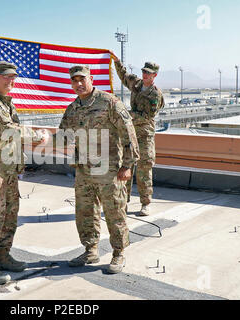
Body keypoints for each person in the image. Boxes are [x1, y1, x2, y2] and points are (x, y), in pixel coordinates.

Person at [0, 61, 49, 284]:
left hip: (7, 171)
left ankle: (2, 257)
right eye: (5, 76)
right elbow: (8, 130)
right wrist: (37, 135)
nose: (10, 81)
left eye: (13, 77)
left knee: (9, 218)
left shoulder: (6, 103)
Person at [58, 65, 139, 274]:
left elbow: (128, 134)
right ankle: (90, 249)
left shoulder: (109, 102)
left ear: (91, 78)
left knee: (114, 210)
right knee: (85, 211)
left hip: (109, 168)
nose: (78, 84)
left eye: (82, 79)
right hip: (83, 169)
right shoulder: (73, 108)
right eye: (74, 81)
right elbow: (63, 134)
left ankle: (118, 252)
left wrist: (128, 165)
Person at [110, 52, 165, 216]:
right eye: (144, 71)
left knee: (144, 169)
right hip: (130, 133)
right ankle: (123, 202)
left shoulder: (155, 94)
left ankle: (145, 203)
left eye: (148, 73)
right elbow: (124, 76)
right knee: (126, 167)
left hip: (144, 134)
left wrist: (127, 115)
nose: (145, 74)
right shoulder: (137, 84)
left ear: (155, 75)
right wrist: (117, 62)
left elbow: (147, 116)